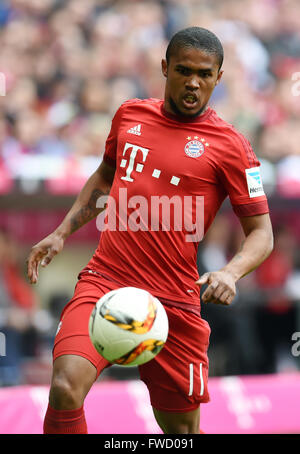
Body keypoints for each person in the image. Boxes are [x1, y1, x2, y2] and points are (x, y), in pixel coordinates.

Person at [27, 27, 274, 434]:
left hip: (175, 302)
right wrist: (61, 232)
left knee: (181, 434)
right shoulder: (130, 115)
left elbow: (262, 232)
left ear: (219, 77)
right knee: (64, 387)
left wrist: (231, 272)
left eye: (204, 73)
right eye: (182, 70)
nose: (193, 81)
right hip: (106, 283)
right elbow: (106, 176)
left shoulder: (233, 146)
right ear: (164, 68)